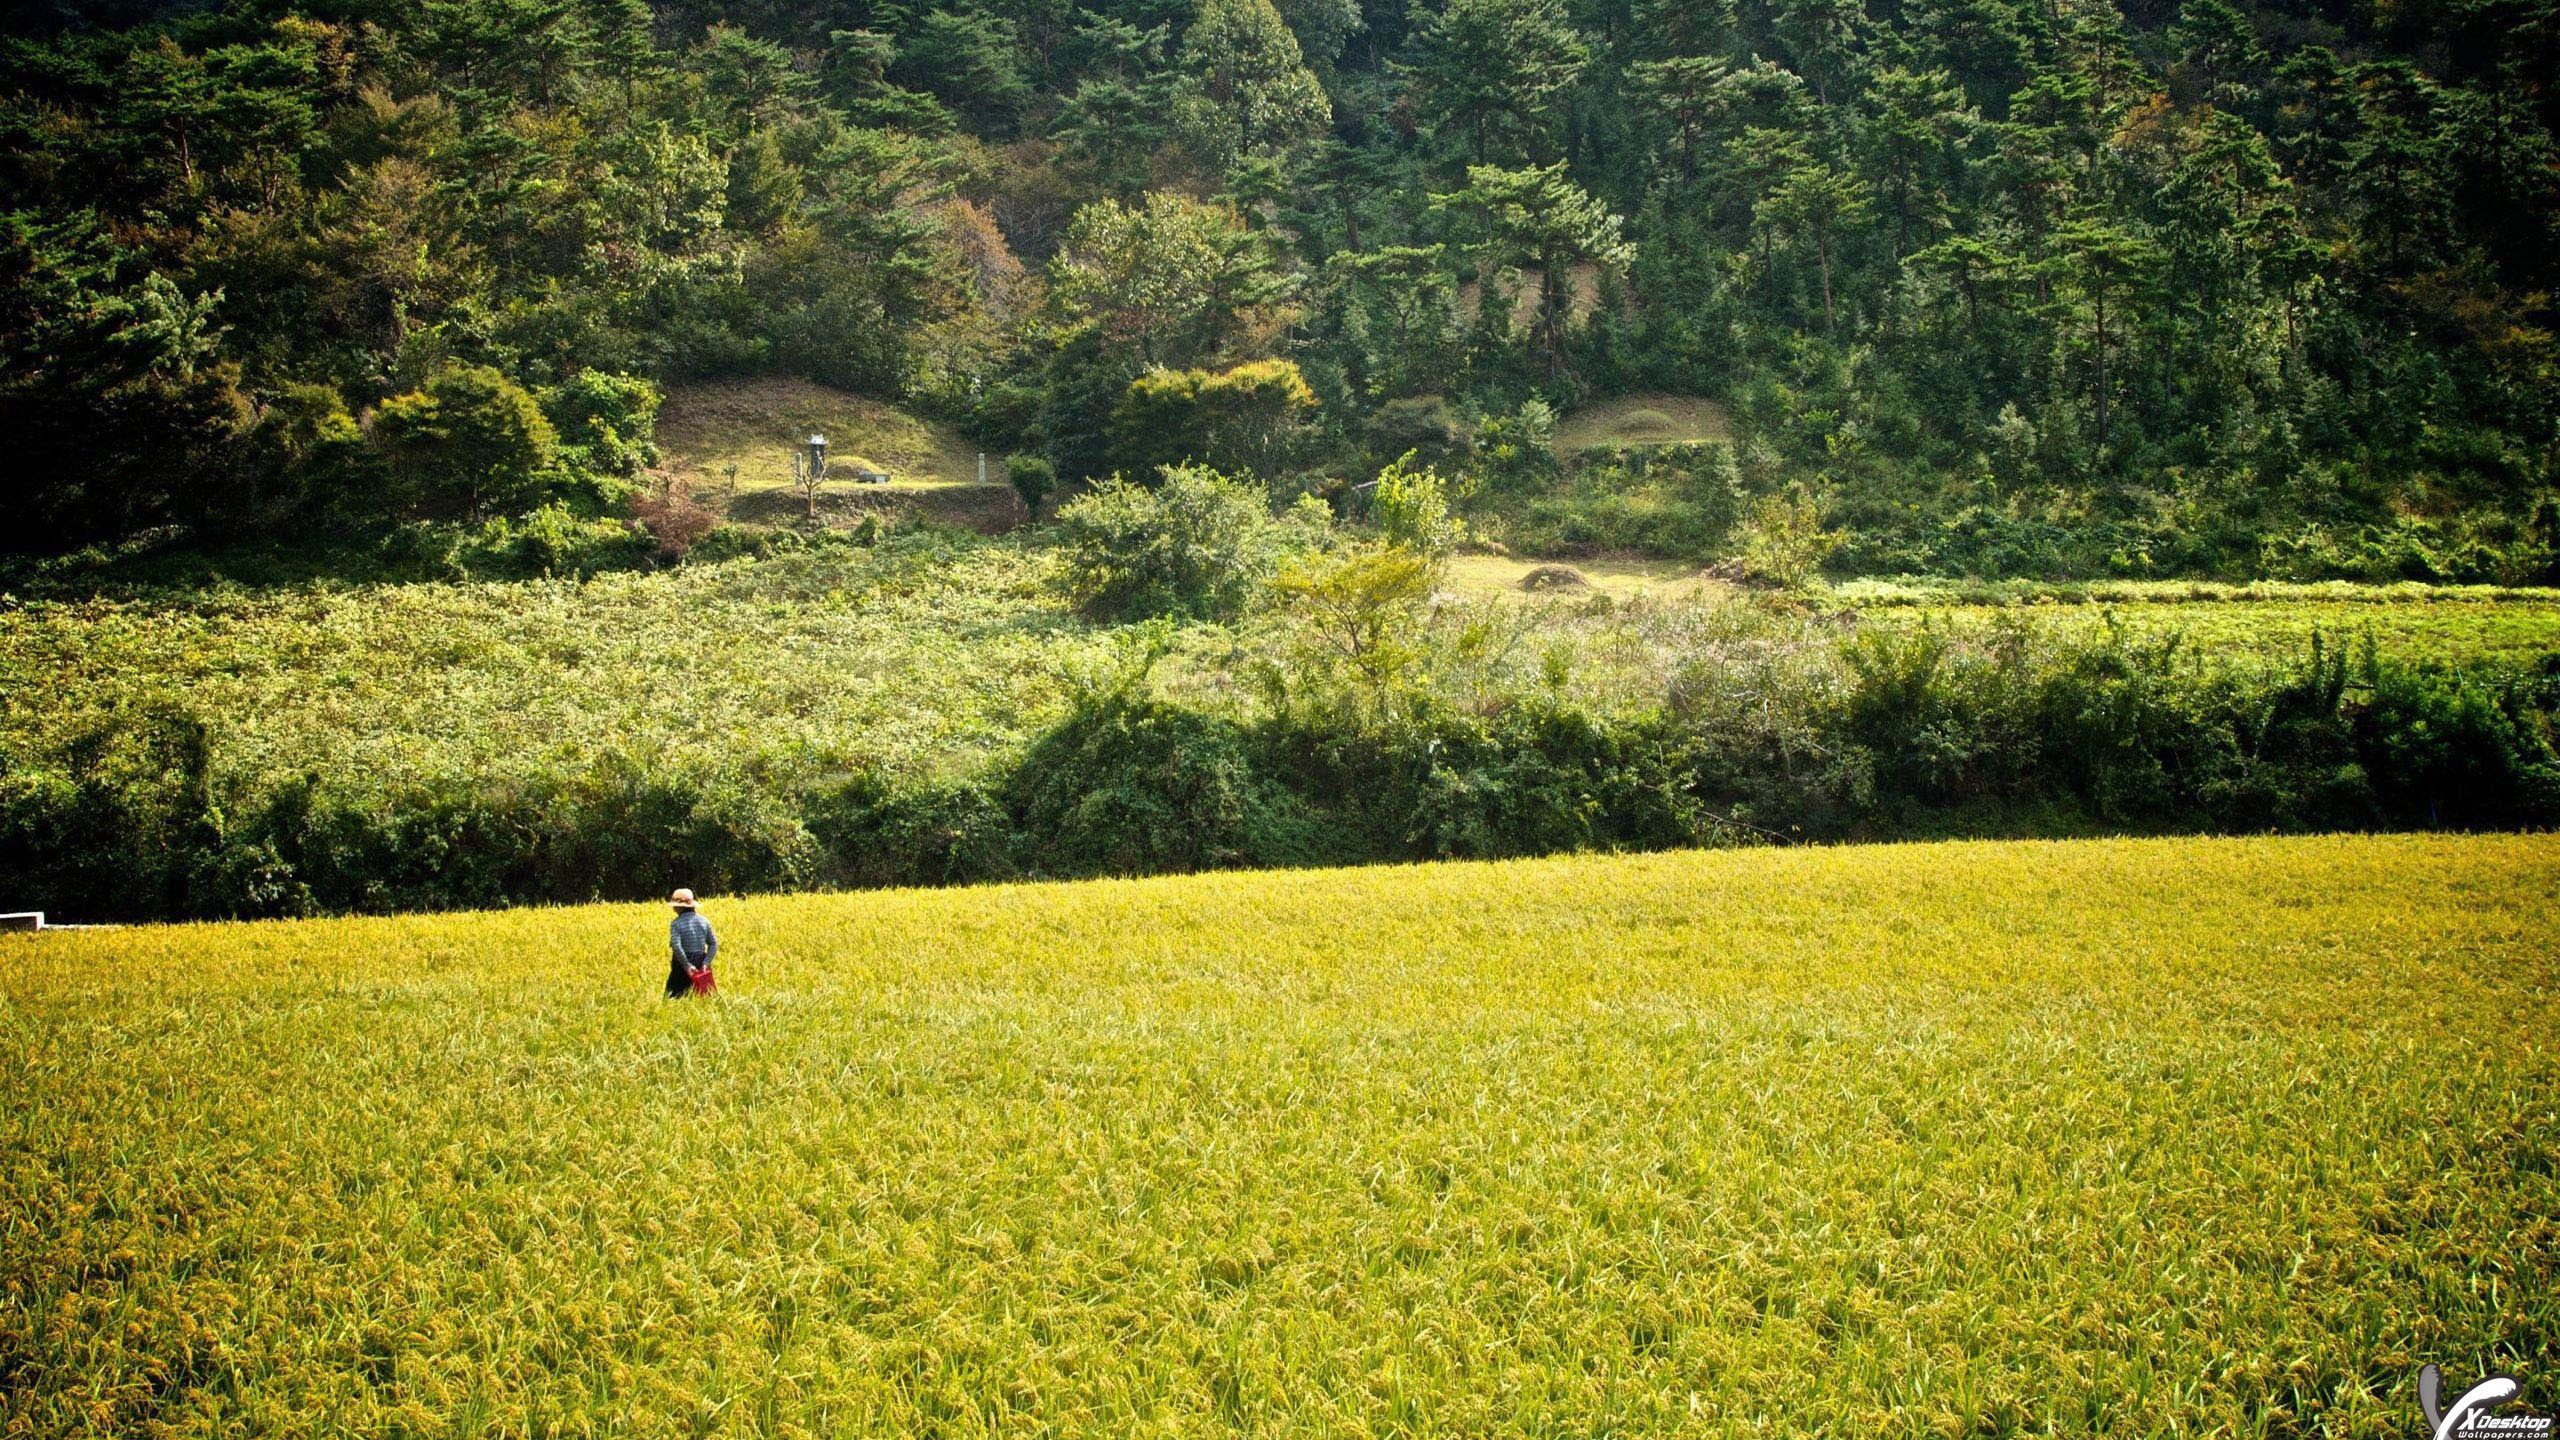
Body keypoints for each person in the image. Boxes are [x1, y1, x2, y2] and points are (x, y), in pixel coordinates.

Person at [666, 887, 717, 998]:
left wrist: (686, 965)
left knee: (673, 999)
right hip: (701, 961)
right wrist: (706, 963)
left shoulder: (676, 923)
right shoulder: (704, 921)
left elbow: (676, 946)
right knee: (702, 997)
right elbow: (713, 944)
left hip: (681, 963)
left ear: (678, 908)